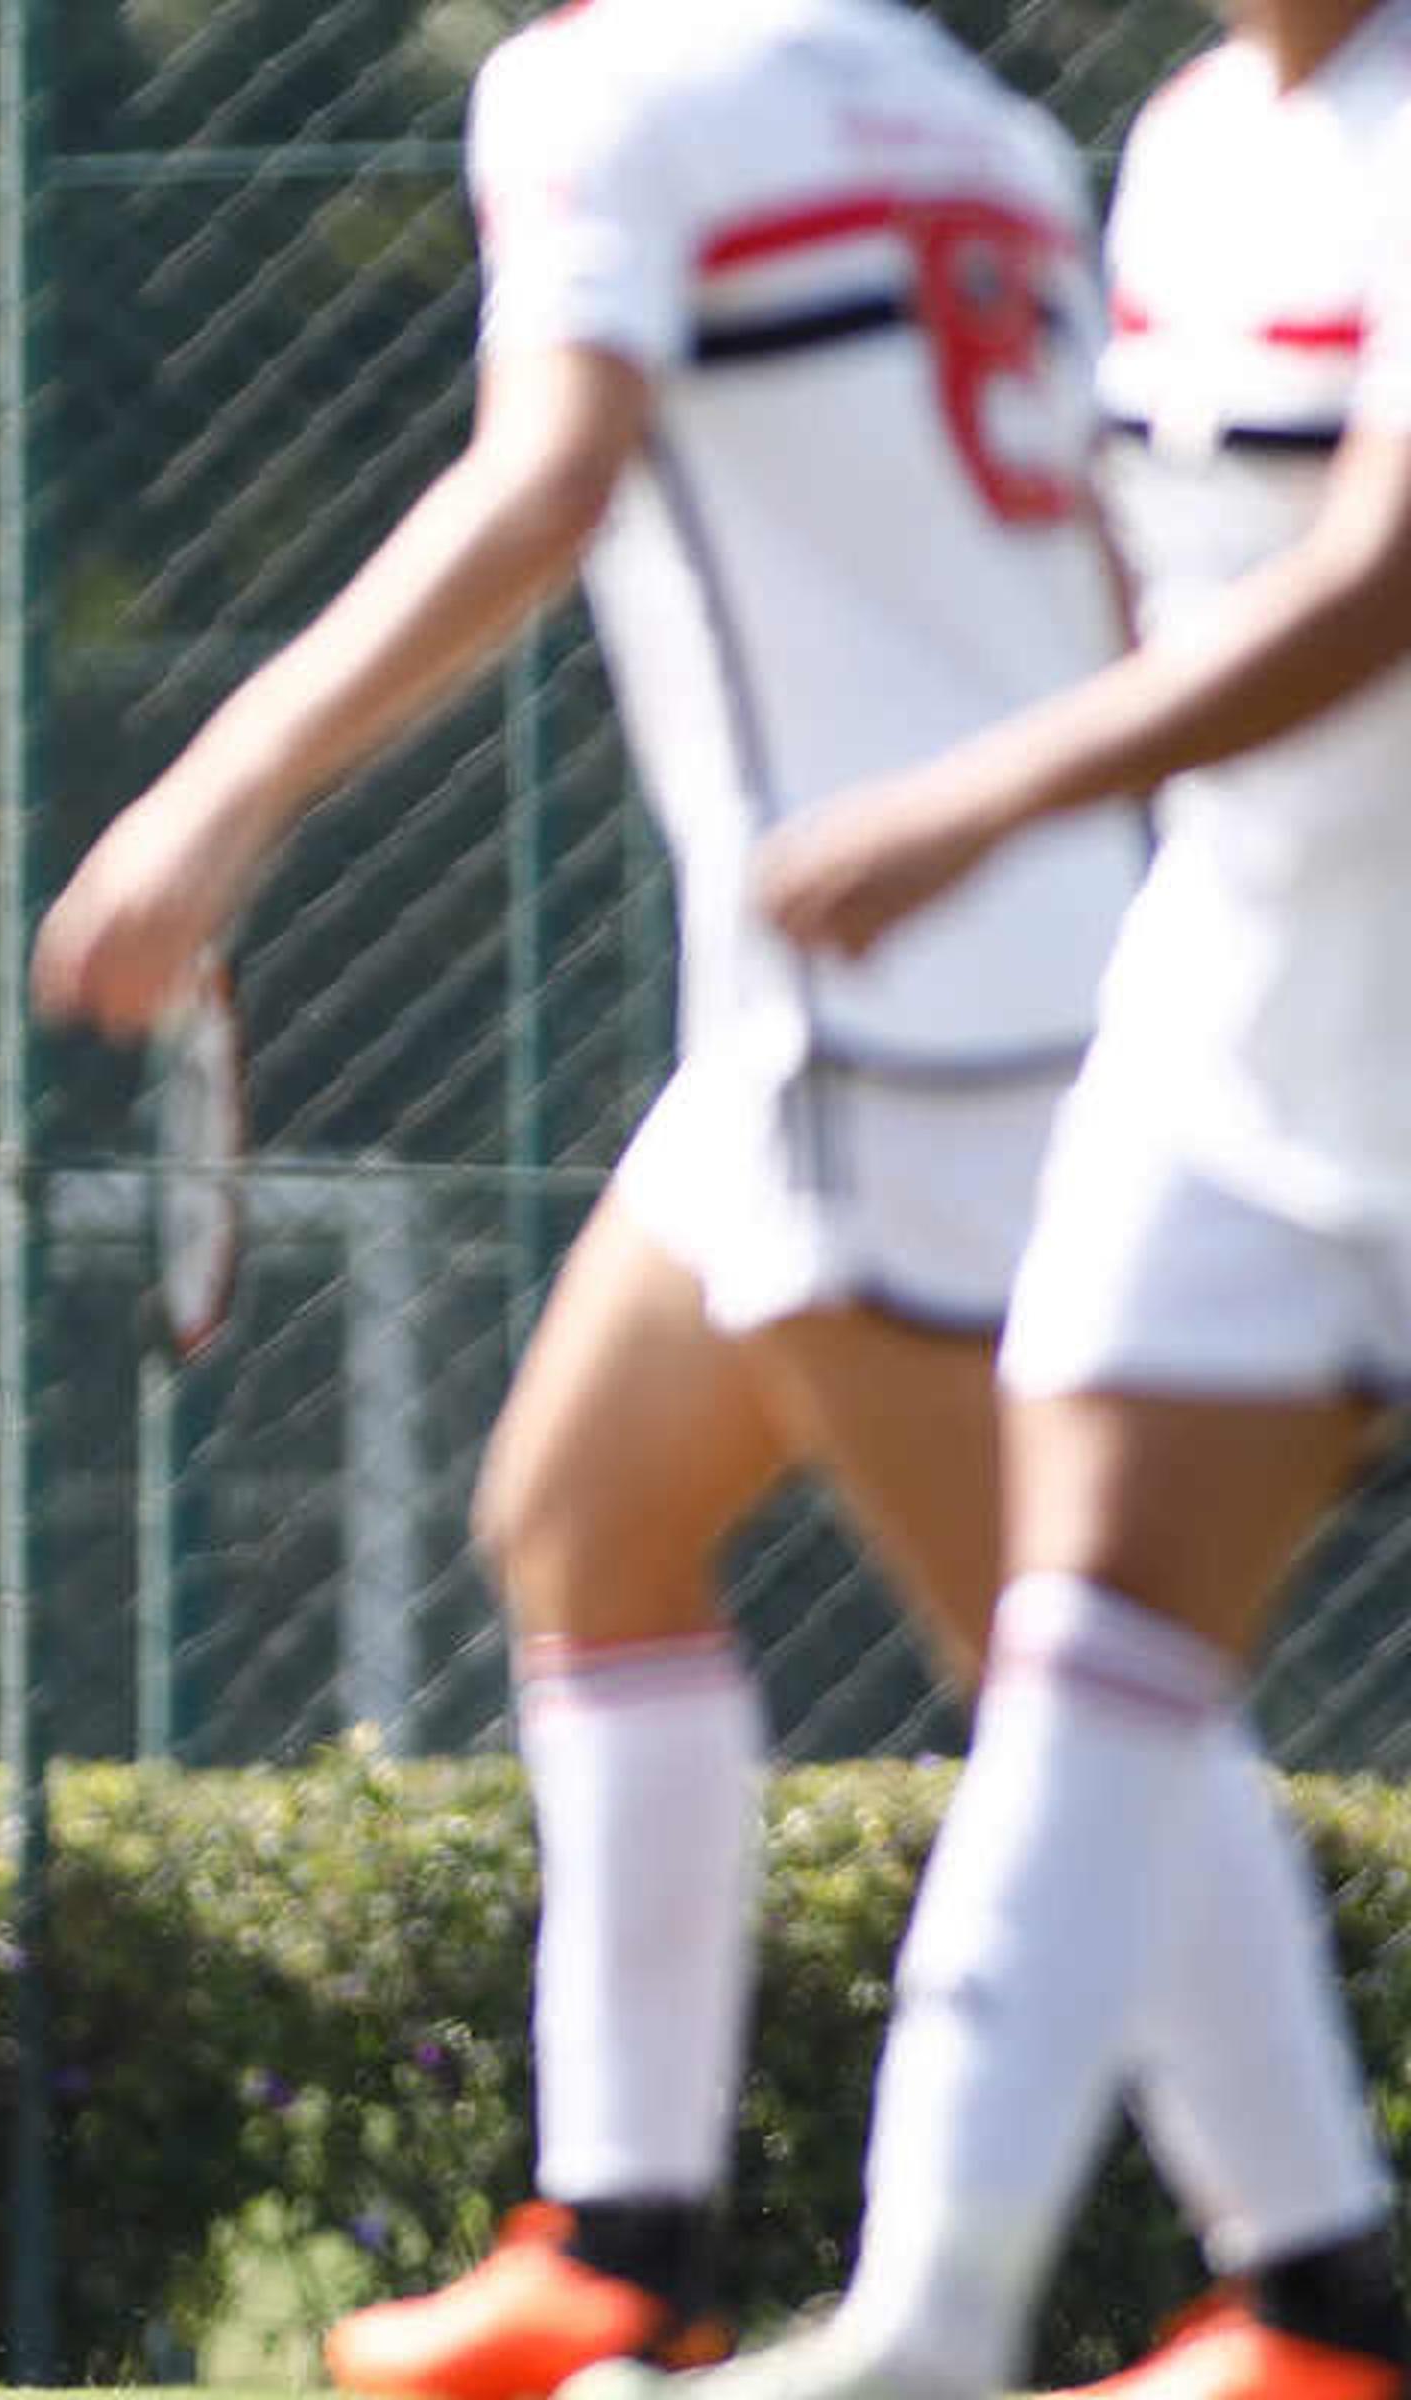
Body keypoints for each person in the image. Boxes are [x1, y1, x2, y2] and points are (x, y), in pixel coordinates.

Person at [28, 5, 1223, 2394]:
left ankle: (1309, 2287)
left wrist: (227, 785)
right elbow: (1111, 550)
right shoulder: (958, 109)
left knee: (1073, 1683)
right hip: (953, 973)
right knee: (585, 1510)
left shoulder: (607, 87)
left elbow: (547, 474)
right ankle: (624, 2238)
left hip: (895, 1007)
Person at [563, 8, 1411, 2400]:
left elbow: (1383, 571)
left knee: (1090, 1650)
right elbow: (1152, 576)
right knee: (1090, 1648)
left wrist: (980, 794)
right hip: (1237, 1049)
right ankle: (942, 2321)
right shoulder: (1187, 145)